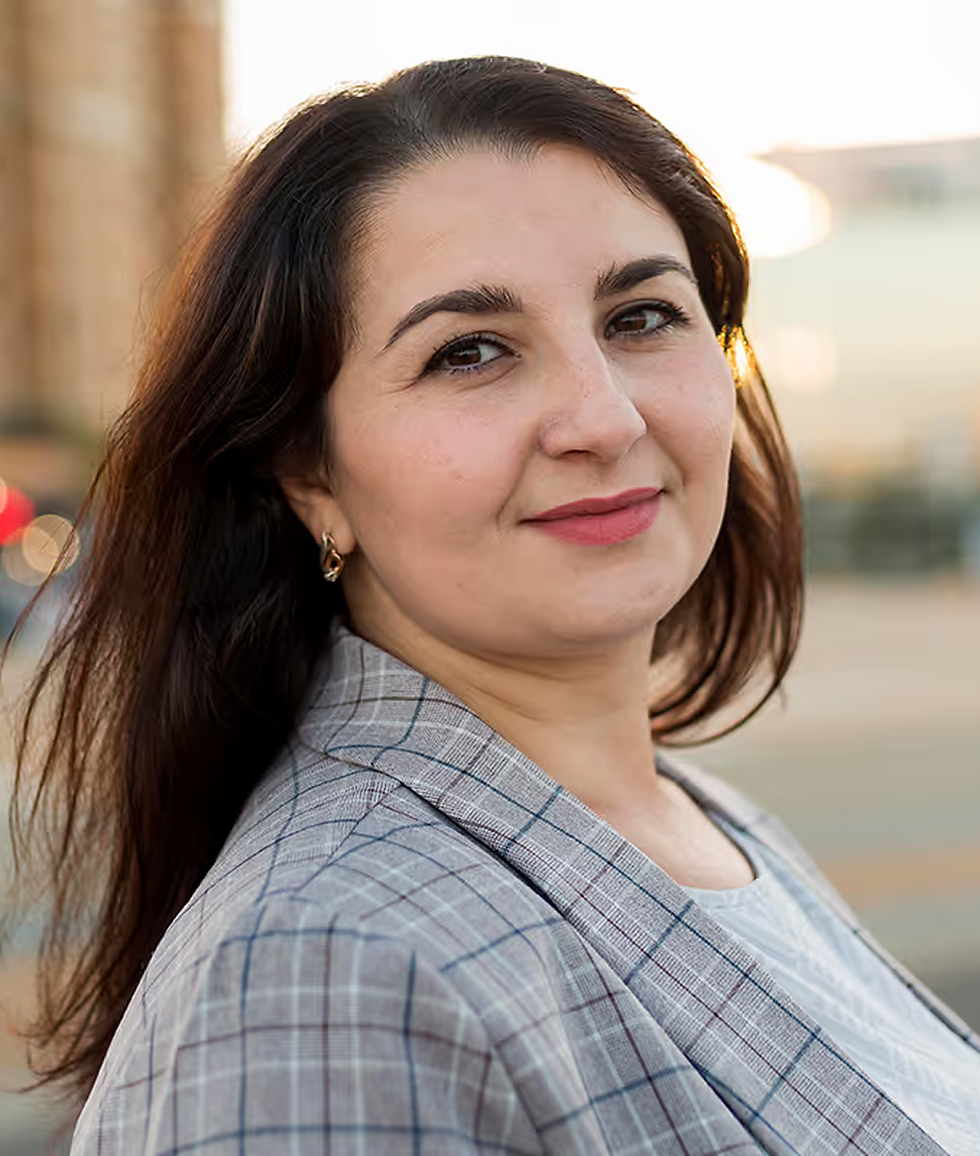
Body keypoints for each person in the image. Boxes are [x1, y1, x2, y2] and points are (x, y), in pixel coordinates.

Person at [6, 56, 979, 1156]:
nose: (604, 419)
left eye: (641, 316)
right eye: (469, 352)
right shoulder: (324, 974)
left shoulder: (696, 816)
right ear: (310, 473)